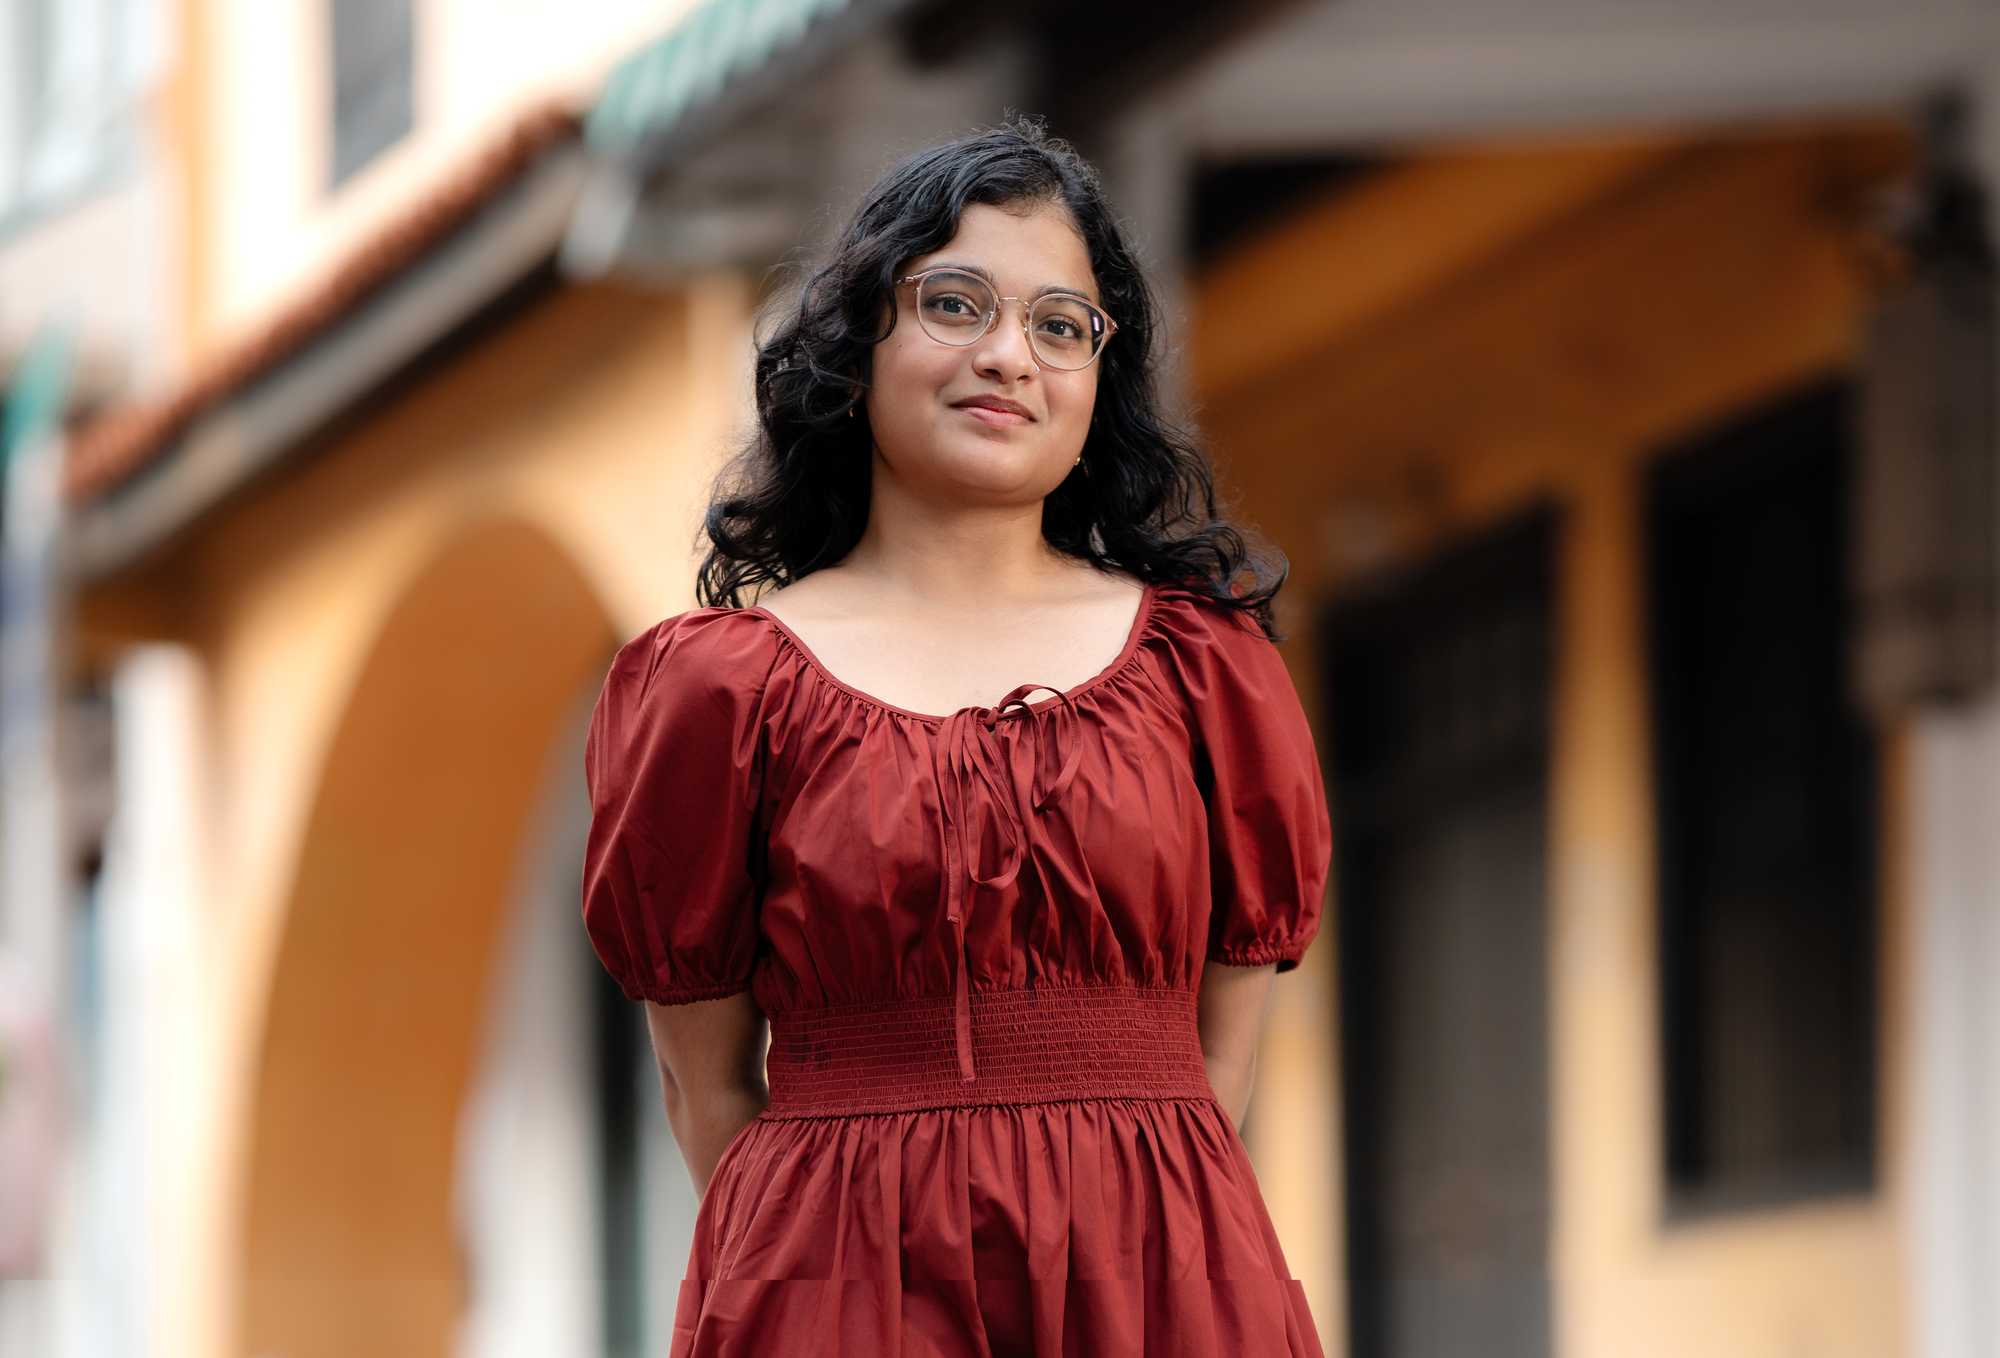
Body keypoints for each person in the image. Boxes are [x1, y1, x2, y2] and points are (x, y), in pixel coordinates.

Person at [581, 114, 1334, 1357]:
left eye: (1057, 325)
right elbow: (704, 1084)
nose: (1008, 356)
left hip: (1157, 1278)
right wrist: (833, 1251)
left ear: (1101, 377)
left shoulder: (1207, 670)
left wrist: (1119, 1225)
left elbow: (1220, 1067)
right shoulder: (718, 689)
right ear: (858, 342)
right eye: (953, 303)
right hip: (831, 1285)